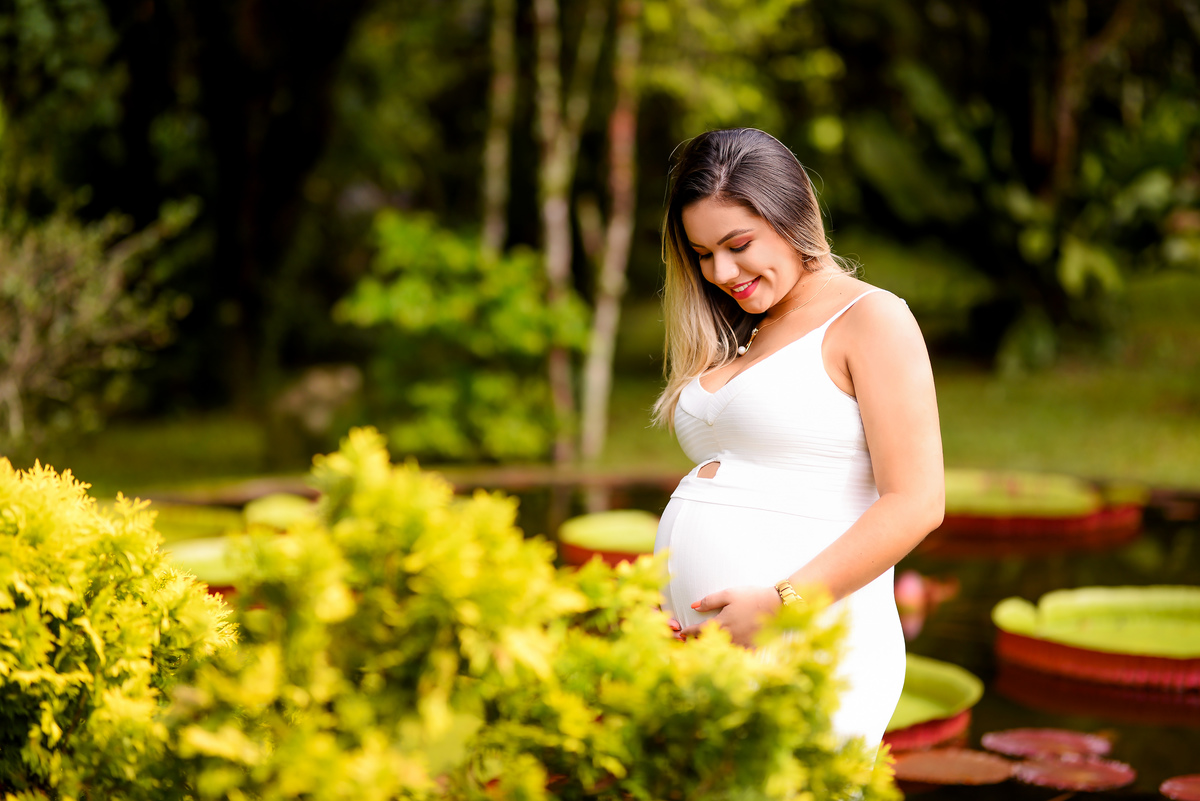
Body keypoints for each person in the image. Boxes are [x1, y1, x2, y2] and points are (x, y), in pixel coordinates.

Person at [651, 128, 945, 749]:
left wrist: (783, 602)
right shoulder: (746, 333)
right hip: (717, 654)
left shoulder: (870, 318)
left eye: (737, 245)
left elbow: (917, 502)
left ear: (794, 211)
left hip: (810, 638)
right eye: (703, 255)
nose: (722, 272)